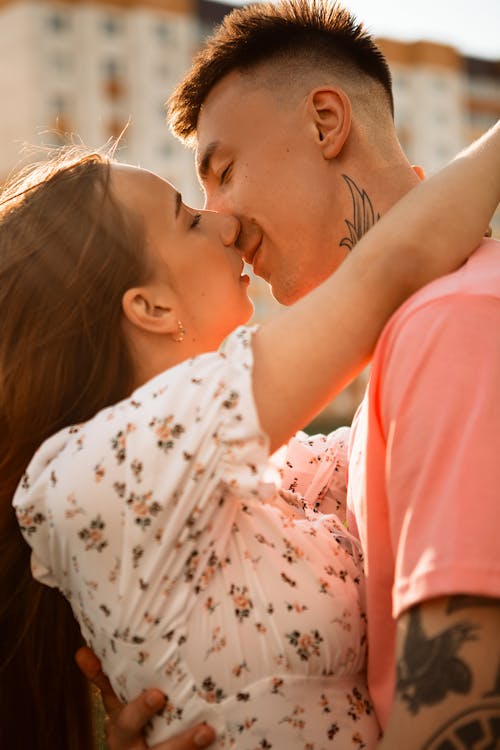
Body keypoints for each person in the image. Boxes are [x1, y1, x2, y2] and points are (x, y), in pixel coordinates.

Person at [81, 1, 500, 748]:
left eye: (225, 171)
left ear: (325, 122)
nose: (225, 223)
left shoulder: (453, 325)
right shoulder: (411, 345)